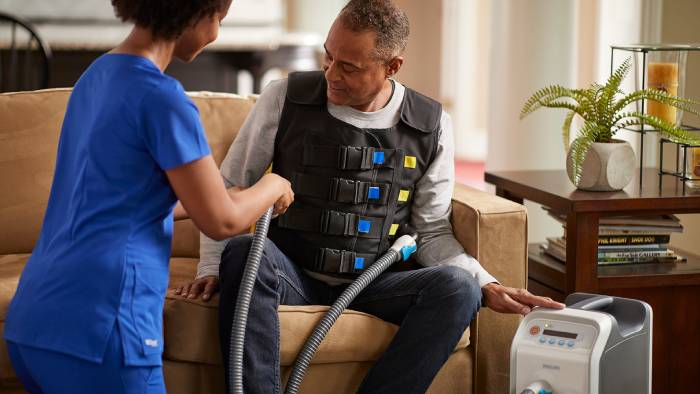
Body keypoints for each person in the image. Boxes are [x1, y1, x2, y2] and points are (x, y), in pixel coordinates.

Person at [177, 0, 564, 392]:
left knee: (459, 290)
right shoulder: (285, 97)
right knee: (243, 253)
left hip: (377, 283)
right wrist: (210, 266)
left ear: (392, 66)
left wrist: (485, 283)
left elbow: (430, 229)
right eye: (328, 57)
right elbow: (230, 187)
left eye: (349, 67)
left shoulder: (431, 125)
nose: (331, 74)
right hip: (293, 272)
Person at [3, 0, 294, 392]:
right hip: (106, 326)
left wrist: (214, 198)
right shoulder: (164, 99)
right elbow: (222, 221)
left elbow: (111, 199)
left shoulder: (96, 76)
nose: (215, 35)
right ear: (193, 11)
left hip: (35, 319)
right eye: (218, 20)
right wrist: (274, 185)